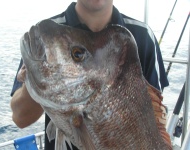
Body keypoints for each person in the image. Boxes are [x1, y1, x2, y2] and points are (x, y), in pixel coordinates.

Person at [10, 0, 169, 150]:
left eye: (77, 54)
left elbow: (156, 119)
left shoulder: (143, 36)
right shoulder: (50, 34)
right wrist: (38, 75)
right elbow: (20, 118)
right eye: (76, 54)